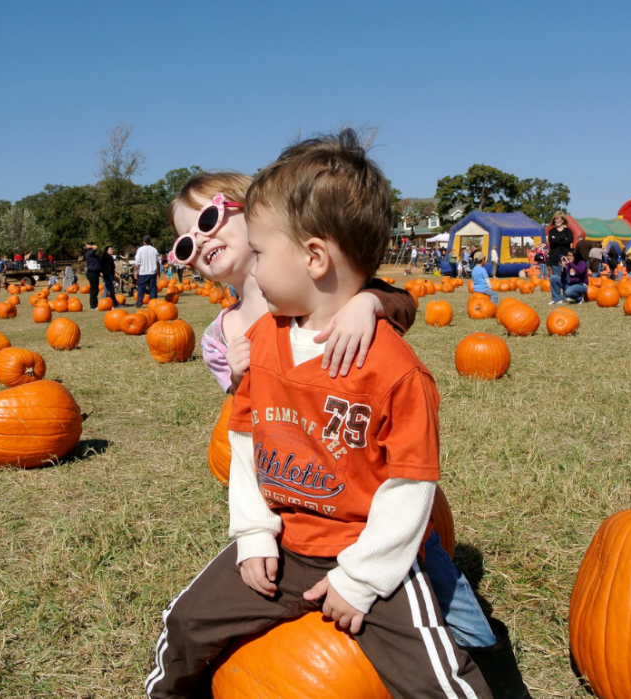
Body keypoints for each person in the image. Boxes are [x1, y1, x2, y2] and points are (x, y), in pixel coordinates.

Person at [147, 130, 511, 699]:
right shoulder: (258, 338)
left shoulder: (393, 367)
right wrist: (252, 534)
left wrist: (363, 577)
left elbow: (410, 482)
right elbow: (244, 440)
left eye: (262, 253)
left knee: (444, 675)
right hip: (286, 542)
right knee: (187, 623)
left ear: (314, 257)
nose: (256, 267)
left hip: (368, 548)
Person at [133, 235, 161, 307]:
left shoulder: (140, 250)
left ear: (143, 241)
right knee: (152, 287)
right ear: (150, 241)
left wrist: (136, 272)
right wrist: (158, 271)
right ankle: (153, 301)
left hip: (143, 272)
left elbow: (137, 263)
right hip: (152, 272)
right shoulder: (154, 250)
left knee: (141, 287)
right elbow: (158, 262)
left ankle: (139, 301)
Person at [546, 212, 573, 284]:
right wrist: (564, 239)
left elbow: (570, 240)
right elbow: (552, 241)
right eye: (555, 220)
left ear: (563, 220)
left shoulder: (568, 231)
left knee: (567, 277)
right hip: (555, 257)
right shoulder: (552, 231)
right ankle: (556, 295)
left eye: (558, 219)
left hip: (566, 256)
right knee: (556, 277)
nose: (557, 221)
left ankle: (566, 294)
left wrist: (557, 239)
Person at [84, 242, 102, 310]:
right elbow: (96, 247)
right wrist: (90, 246)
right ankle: (93, 305)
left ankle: (95, 304)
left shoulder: (93, 254)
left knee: (95, 289)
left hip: (95, 272)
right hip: (92, 273)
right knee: (94, 289)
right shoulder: (89, 253)